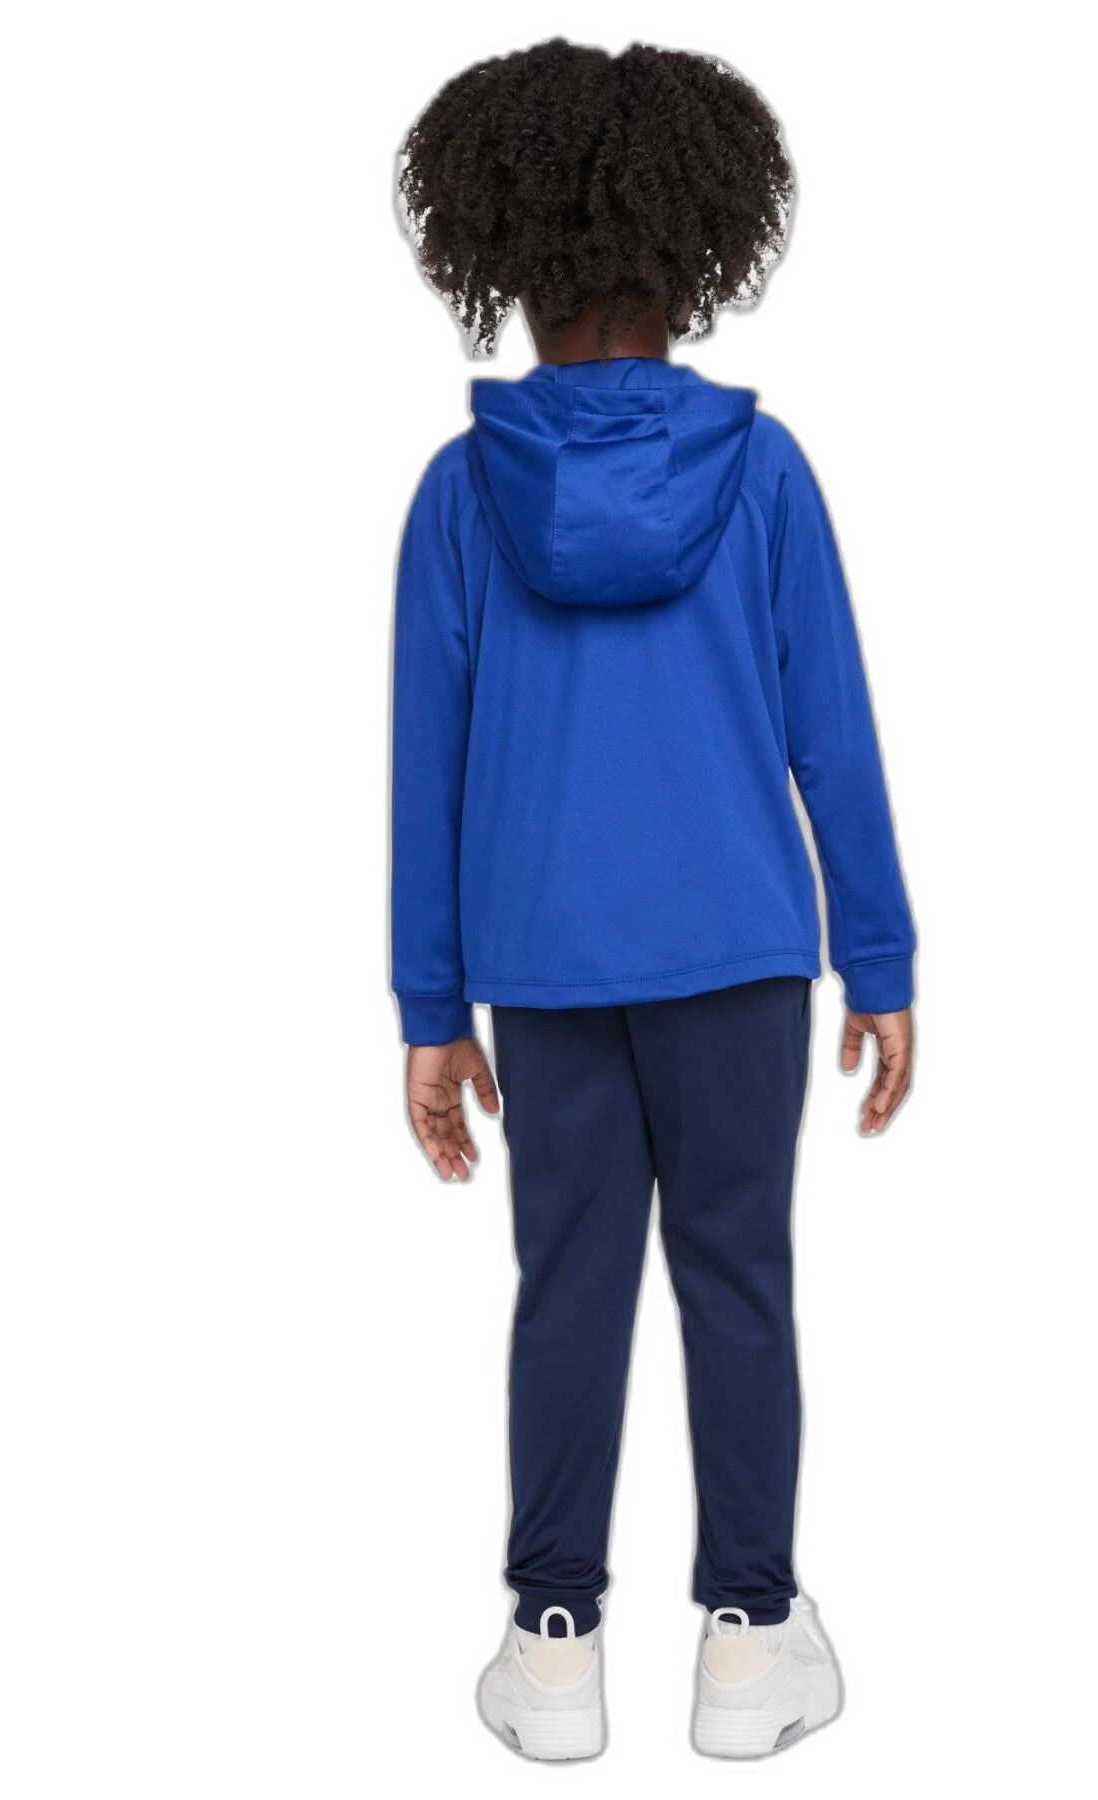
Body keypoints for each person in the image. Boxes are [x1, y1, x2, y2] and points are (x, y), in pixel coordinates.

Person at [391, 38, 916, 1760]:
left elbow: (425, 770)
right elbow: (833, 736)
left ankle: (553, 1649)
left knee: (568, 1285)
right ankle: (749, 1644)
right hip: (741, 953)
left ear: (508, 263)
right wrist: (880, 958)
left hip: (542, 966)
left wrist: (430, 1011)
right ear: (694, 261)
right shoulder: (762, 475)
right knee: (737, 1277)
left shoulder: (461, 495)